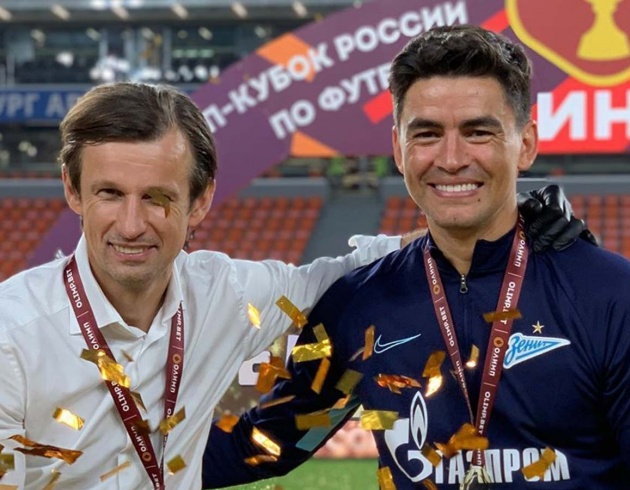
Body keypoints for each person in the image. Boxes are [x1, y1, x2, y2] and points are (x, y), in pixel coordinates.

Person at [0, 82, 584, 489]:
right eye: (109, 194)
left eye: (158, 198)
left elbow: (352, 271)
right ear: (72, 191)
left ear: (200, 201)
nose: (131, 225)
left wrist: (513, 226)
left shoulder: (223, 293)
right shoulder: (12, 335)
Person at [203, 26, 630, 489]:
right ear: (398, 149)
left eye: (478, 132)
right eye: (426, 134)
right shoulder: (356, 307)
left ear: (526, 144)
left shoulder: (623, 305)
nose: (450, 159)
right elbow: (265, 447)